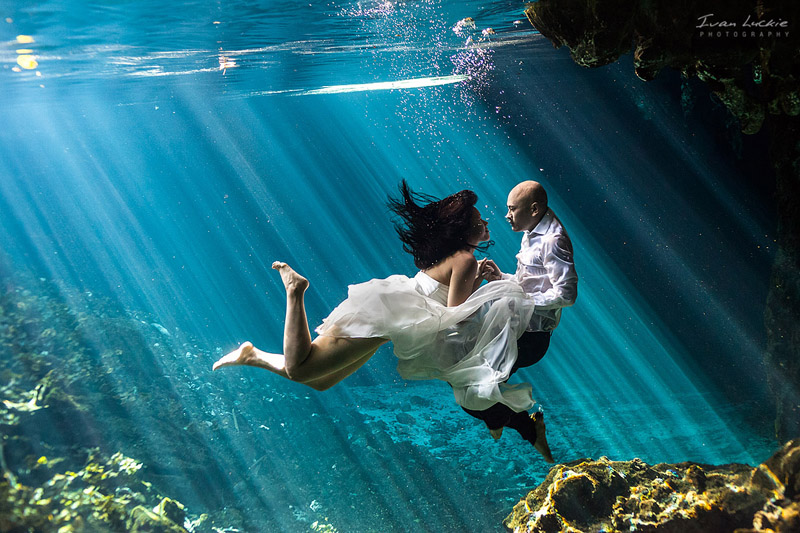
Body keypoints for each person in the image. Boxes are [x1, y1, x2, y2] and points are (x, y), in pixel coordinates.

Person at [213, 181, 552, 457]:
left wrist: (483, 283)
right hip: (389, 313)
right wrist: (499, 291)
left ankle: (252, 355)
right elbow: (455, 317)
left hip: (392, 312)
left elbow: (449, 300)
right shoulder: (464, 258)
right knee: (300, 368)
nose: (488, 222)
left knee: (320, 380)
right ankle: (295, 290)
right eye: (480, 219)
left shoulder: (460, 258)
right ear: (465, 227)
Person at [465, 180, 578, 461]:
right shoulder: (532, 230)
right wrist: (501, 278)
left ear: (534, 208)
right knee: (465, 380)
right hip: (516, 328)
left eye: (512, 209)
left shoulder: (553, 239)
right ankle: (507, 422)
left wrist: (523, 301)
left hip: (531, 338)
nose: (506, 215)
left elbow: (566, 294)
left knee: (472, 389)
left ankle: (511, 424)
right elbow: (531, 283)